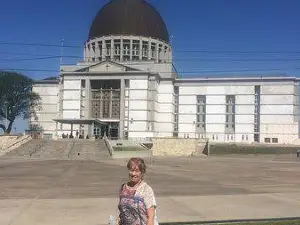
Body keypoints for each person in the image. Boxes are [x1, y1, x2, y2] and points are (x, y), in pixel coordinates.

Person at [118, 158, 158, 225]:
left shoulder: (146, 189)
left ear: (142, 173)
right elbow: (123, 212)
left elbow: (151, 216)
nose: (133, 174)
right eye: (131, 170)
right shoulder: (123, 188)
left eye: (137, 171)